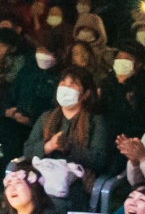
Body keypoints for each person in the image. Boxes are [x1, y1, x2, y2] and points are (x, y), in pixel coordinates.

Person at [26, 69, 114, 207]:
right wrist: (48, 146)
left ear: (86, 94)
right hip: (45, 174)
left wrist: (70, 148)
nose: (65, 89)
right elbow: (27, 150)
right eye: (63, 84)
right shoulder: (46, 118)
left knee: (58, 202)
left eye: (72, 85)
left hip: (77, 181)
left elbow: (99, 159)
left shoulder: (96, 121)